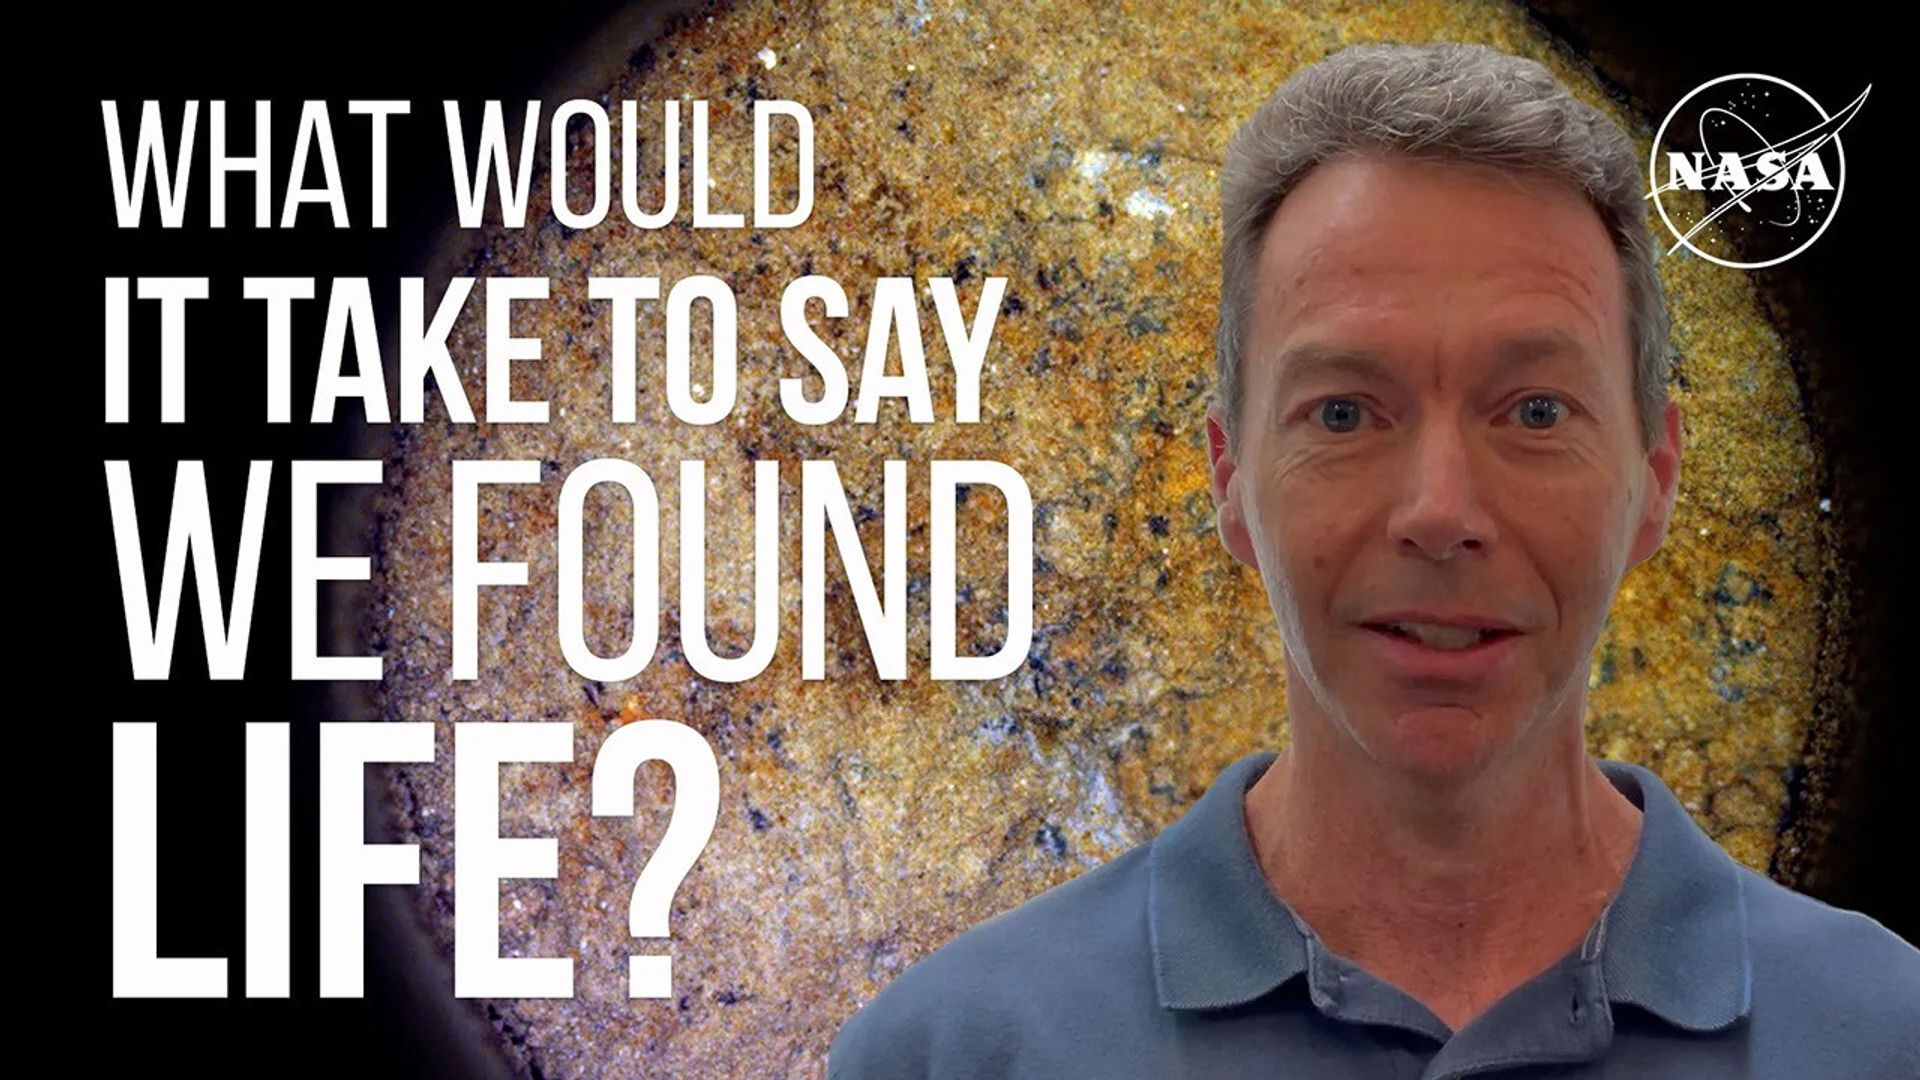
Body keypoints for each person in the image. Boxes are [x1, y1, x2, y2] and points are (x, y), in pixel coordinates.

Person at [826, 40, 1919, 1079]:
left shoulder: (1887, 1031)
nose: (1440, 512)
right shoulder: (950, 1052)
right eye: (1344, 412)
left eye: (1535, 409)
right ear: (1228, 480)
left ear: (1656, 481)